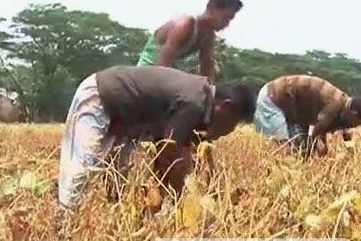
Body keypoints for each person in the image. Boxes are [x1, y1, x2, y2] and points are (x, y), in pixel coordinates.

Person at [57, 65, 257, 211]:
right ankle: (63, 222)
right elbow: (167, 152)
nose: (231, 128)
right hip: (102, 96)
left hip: (127, 121)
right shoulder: (194, 103)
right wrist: (179, 201)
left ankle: (111, 219)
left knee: (118, 177)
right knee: (84, 166)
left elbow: (174, 153)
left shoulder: (201, 99)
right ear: (225, 106)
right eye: (234, 121)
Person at [106, 0, 246, 198]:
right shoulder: (185, 25)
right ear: (213, 8)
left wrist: (207, 103)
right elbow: (162, 65)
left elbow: (206, 67)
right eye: (227, 17)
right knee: (135, 134)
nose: (227, 24)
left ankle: (160, 186)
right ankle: (116, 182)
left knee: (170, 141)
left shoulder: (207, 36)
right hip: (148, 77)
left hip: (170, 81)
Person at [254, 74, 361, 157]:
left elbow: (344, 133)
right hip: (273, 98)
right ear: (354, 114)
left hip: (290, 107)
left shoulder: (344, 105)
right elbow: (316, 132)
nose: (357, 126)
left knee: (297, 145)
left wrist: (352, 154)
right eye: (359, 122)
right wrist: (311, 153)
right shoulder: (334, 105)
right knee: (284, 148)